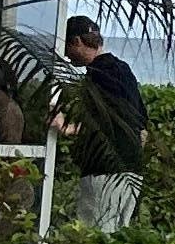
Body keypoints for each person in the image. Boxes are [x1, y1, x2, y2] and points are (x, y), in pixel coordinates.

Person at [60, 16, 149, 232]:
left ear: (77, 42)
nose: (65, 55)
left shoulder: (98, 76)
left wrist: (66, 127)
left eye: (66, 47)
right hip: (131, 171)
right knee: (118, 236)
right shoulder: (123, 70)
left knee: (94, 237)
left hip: (104, 172)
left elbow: (102, 123)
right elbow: (142, 127)